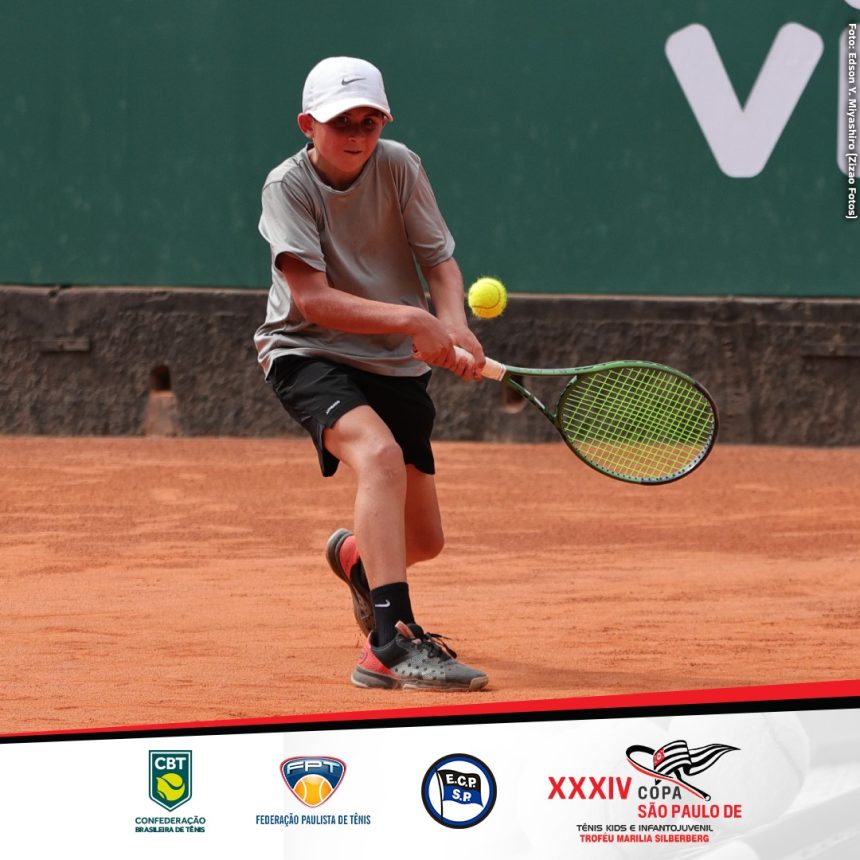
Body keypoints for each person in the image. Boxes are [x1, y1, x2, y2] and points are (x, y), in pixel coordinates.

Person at [255, 56, 489, 691]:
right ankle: (390, 643)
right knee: (378, 456)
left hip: (393, 363)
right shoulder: (287, 187)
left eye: (369, 121)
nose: (356, 135)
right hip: (307, 351)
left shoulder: (400, 165)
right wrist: (415, 320)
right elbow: (312, 301)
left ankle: (358, 558)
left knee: (426, 541)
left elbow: (439, 263)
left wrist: (452, 323)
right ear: (308, 124)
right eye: (341, 122)